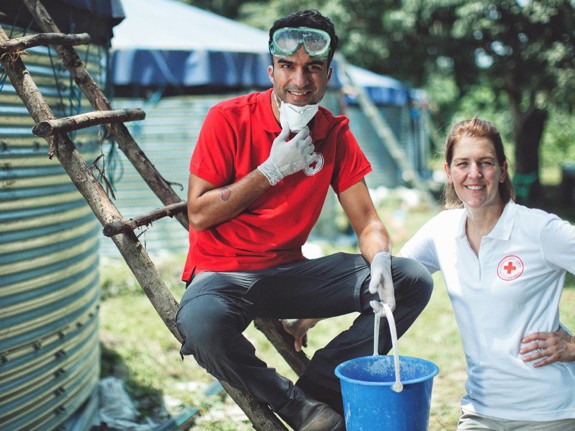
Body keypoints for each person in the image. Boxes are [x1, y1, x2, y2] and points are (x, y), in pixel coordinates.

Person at [175, 9, 433, 431]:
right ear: (271, 70)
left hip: (290, 274)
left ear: (328, 74)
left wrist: (381, 259)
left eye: (313, 67)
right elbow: (198, 214)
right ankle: (299, 409)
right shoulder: (228, 118)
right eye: (288, 67)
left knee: (413, 279)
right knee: (200, 325)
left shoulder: (334, 133)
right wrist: (271, 171)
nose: (300, 79)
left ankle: (320, 385)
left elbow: (367, 221)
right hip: (223, 275)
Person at [399, 118, 575, 430]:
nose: (474, 174)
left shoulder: (539, 230)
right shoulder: (442, 231)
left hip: (550, 413)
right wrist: (311, 316)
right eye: (463, 163)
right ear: (449, 172)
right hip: (480, 413)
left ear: (503, 170)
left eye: (485, 163)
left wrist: (573, 348)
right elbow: (386, 278)